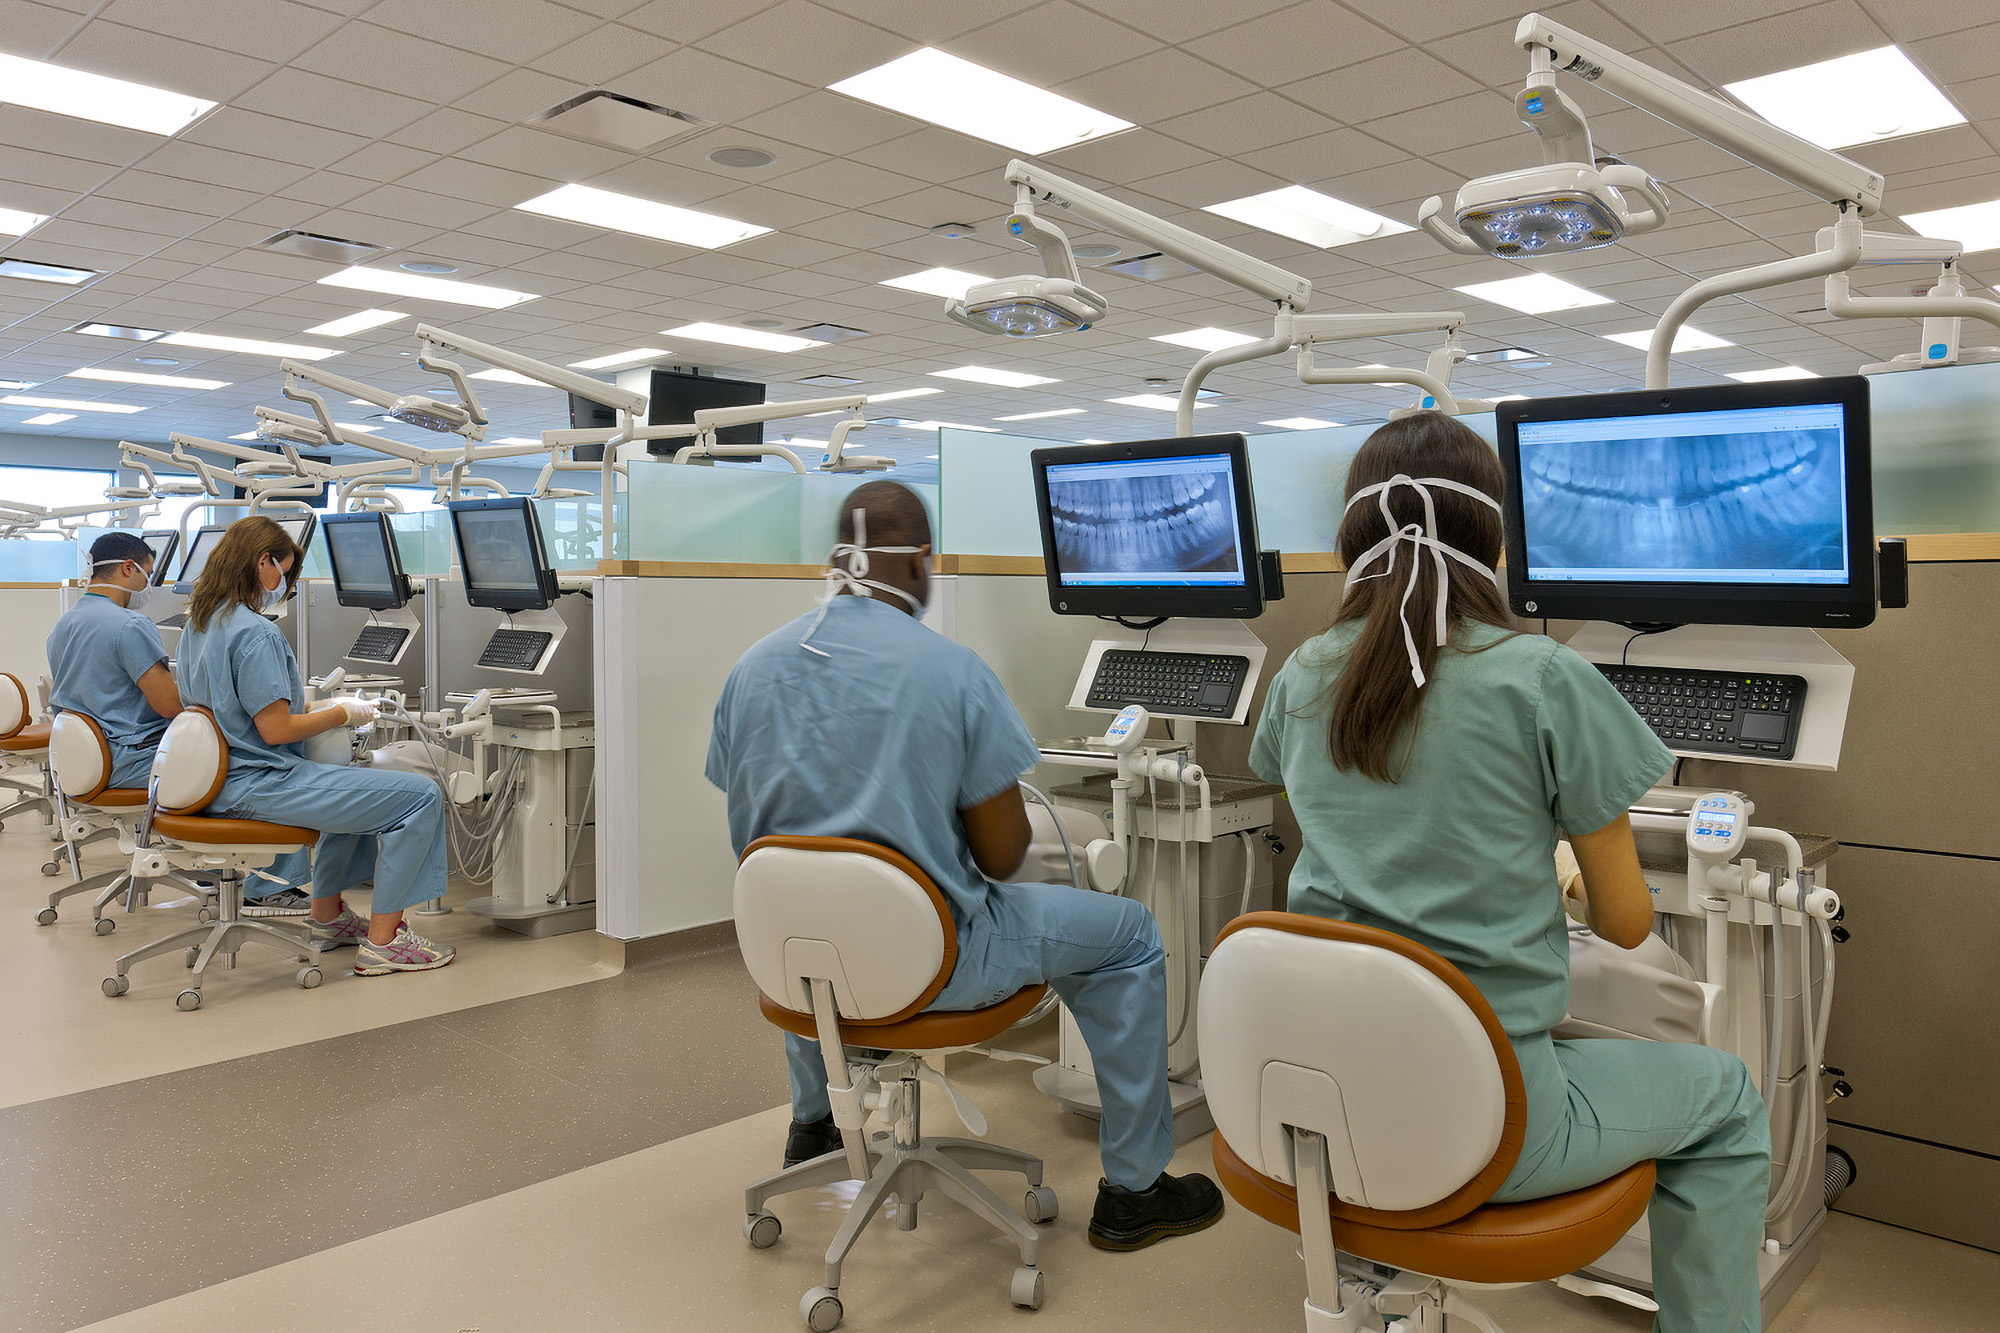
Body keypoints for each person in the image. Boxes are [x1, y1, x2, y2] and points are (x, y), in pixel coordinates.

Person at [1247, 412, 1770, 1333]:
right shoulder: (1539, 676)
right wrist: (1563, 873)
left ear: (1352, 538)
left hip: (1313, 1104)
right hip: (1493, 1124)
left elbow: (1334, 808)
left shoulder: (1301, 674)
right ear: (1493, 538)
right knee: (1724, 1096)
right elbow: (1625, 924)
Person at [706, 480, 1223, 1252]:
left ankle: (813, 1126)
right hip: (939, 963)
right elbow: (1004, 854)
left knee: (811, 914)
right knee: (1128, 933)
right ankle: (1136, 1188)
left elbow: (762, 832)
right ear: (920, 560)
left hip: (791, 966)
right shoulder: (953, 671)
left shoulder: (751, 668)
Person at [175, 515, 454, 975]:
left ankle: (328, 916)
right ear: (263, 562)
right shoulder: (256, 632)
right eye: (283, 571)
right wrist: (342, 713)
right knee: (420, 797)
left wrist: (317, 704)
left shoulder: (201, 624)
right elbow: (277, 731)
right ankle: (384, 944)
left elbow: (237, 705)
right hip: (258, 784)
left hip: (218, 779)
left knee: (355, 782)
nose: (283, 583)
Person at [47, 532, 182, 788]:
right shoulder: (131, 625)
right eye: (148, 575)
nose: (147, 586)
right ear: (128, 567)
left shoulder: (64, 624)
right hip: (129, 761)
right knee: (234, 763)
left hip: (78, 760)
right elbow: (170, 706)